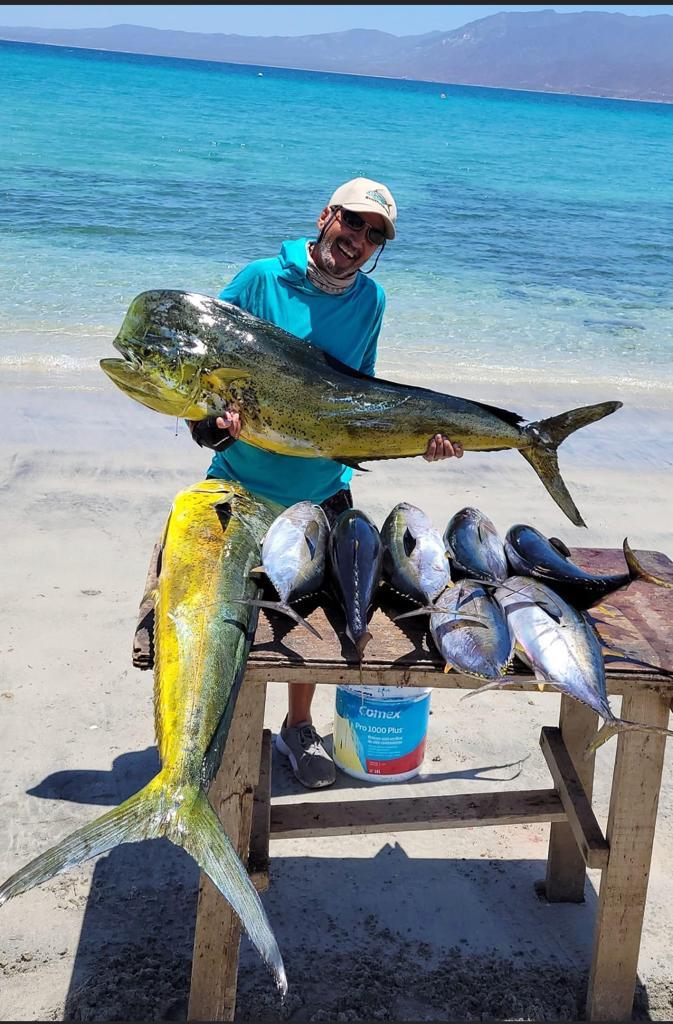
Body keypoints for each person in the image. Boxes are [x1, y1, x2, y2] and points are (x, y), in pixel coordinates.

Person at [189, 178, 465, 788]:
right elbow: (202, 386)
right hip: (239, 481)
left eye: (375, 235)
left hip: (323, 490)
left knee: (311, 625)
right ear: (326, 215)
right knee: (217, 618)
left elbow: (360, 395)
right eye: (354, 223)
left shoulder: (371, 301)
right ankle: (208, 735)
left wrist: (416, 440)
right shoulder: (259, 279)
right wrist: (216, 427)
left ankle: (297, 727)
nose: (359, 240)